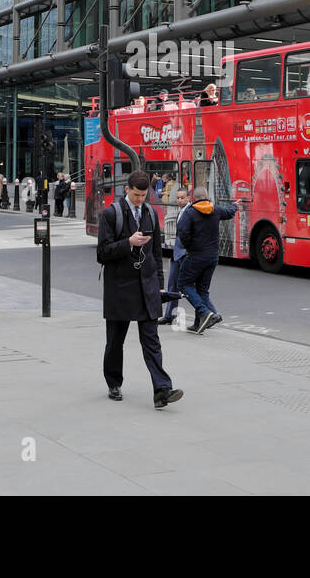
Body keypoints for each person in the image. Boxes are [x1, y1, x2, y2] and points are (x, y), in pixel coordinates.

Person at [98, 169, 183, 409]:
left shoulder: (151, 214)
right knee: (115, 341)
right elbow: (102, 253)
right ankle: (113, 382)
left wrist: (158, 286)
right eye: (136, 194)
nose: (140, 199)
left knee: (152, 340)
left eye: (143, 195)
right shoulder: (111, 214)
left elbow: (156, 254)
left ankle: (162, 390)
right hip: (119, 287)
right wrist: (128, 243)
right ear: (127, 189)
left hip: (146, 288)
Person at [175, 186, 238, 333]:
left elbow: (182, 232)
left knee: (183, 284)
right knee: (202, 289)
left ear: (193, 198)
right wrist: (235, 205)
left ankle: (204, 312)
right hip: (213, 257)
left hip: (196, 256)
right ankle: (202, 322)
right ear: (207, 196)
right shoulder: (215, 209)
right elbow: (229, 213)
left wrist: (189, 246)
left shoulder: (190, 213)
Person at [161, 186, 190, 326]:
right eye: (178, 198)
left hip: (186, 255)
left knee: (189, 287)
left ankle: (207, 313)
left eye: (182, 198)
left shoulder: (190, 212)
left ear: (188, 198)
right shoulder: (180, 212)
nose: (179, 200)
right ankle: (169, 315)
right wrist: (173, 256)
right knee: (172, 285)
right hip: (177, 255)